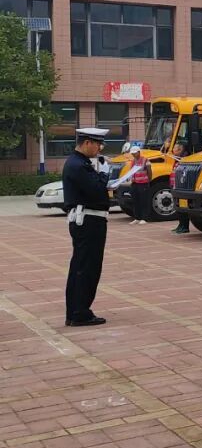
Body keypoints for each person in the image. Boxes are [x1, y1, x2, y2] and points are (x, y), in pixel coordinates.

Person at [63, 127, 112, 327]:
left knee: (81, 266)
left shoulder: (79, 163)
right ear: (87, 143)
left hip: (88, 219)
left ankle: (76, 310)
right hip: (89, 220)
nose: (99, 149)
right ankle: (80, 312)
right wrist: (106, 174)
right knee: (87, 267)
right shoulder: (78, 165)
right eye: (97, 144)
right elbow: (96, 190)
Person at [128, 146, 152, 225]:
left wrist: (148, 180)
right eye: (132, 153)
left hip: (143, 183)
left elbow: (149, 171)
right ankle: (137, 218)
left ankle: (144, 218)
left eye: (134, 153)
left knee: (143, 201)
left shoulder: (145, 160)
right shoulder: (132, 161)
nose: (133, 155)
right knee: (135, 201)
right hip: (134, 183)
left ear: (139, 152)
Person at [169, 142, 190, 234]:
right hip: (175, 186)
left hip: (181, 187)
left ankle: (184, 226)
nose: (173, 150)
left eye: (175, 148)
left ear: (180, 150)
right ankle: (180, 225)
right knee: (177, 207)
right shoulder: (176, 160)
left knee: (182, 208)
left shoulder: (184, 159)